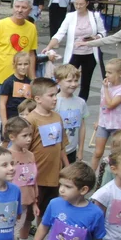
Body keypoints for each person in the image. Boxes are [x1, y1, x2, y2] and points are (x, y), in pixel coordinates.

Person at [0, 0, 38, 148]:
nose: (19, 10)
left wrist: (33, 79)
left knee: (18, 115)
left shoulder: (31, 28)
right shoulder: (0, 25)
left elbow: (31, 54)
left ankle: (13, 147)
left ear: (29, 10)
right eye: (17, 6)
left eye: (23, 7)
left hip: (20, 81)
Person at [25, 78, 71, 222]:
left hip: (54, 175)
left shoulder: (57, 117)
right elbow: (24, 149)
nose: (55, 99)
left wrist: (68, 168)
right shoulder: (31, 119)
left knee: (46, 212)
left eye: (55, 95)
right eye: (51, 95)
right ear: (38, 99)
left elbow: (61, 146)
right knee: (29, 214)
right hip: (36, 176)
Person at [44, 0, 105, 99]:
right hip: (74, 53)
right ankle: (62, 101)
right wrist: (49, 46)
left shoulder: (95, 16)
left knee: (86, 82)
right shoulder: (70, 16)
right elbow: (60, 33)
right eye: (76, 4)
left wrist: (96, 37)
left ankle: (82, 105)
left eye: (81, 4)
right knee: (66, 79)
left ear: (87, 3)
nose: (78, 6)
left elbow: (102, 32)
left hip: (90, 53)